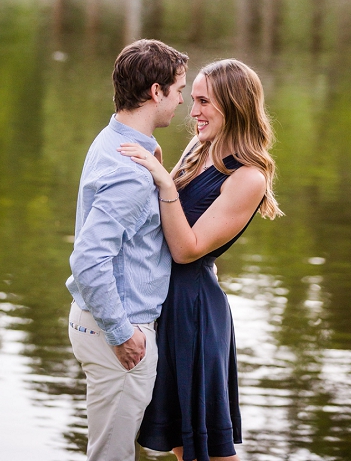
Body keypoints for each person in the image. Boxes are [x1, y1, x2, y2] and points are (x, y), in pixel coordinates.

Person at [119, 58, 282, 461]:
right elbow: (165, 215)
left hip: (194, 312)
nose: (192, 112)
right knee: (181, 441)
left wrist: (160, 176)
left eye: (204, 101)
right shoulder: (200, 146)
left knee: (207, 449)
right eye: (191, 100)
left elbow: (187, 247)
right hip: (165, 303)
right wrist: (156, 165)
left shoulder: (249, 177)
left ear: (234, 104)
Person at [66, 39, 189, 461]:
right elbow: (88, 258)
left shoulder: (113, 140)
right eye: (178, 91)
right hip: (116, 330)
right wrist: (123, 334)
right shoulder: (130, 173)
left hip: (95, 323)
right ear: (156, 92)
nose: (181, 102)